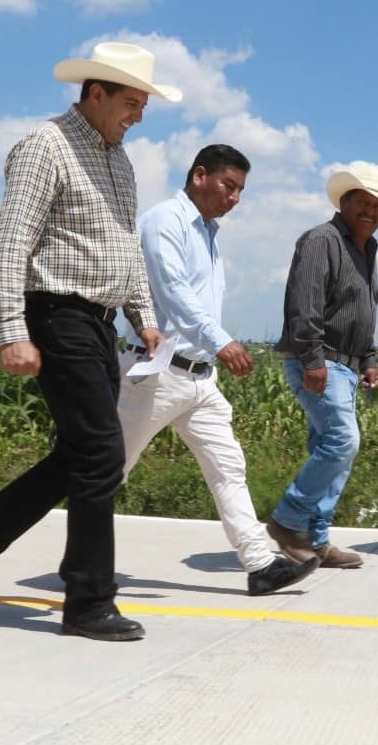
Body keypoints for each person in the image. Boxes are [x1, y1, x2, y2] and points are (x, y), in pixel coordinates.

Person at [0, 42, 177, 643]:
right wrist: (12, 332)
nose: (138, 115)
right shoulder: (46, 147)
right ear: (94, 93)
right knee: (102, 455)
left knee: (81, 456)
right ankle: (89, 600)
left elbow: (124, 247)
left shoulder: (121, 162)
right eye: (130, 102)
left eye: (144, 104)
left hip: (97, 322)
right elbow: (10, 244)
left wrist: (142, 313)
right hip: (55, 313)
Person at [117, 144, 320, 596]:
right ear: (199, 175)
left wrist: (212, 350)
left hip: (199, 378)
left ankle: (261, 563)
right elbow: (172, 293)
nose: (234, 198)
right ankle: (72, 559)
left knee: (229, 466)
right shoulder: (164, 221)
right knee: (109, 472)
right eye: (229, 186)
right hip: (158, 371)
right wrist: (221, 340)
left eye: (240, 191)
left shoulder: (208, 232)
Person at [266, 161, 378, 570]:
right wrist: (313, 360)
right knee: (344, 442)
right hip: (319, 361)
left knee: (331, 452)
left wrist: (369, 359)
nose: (372, 212)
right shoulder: (321, 240)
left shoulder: (367, 250)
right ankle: (287, 521)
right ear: (344, 202)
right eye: (363, 203)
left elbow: (362, 310)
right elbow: (303, 305)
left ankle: (317, 540)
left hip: (345, 366)